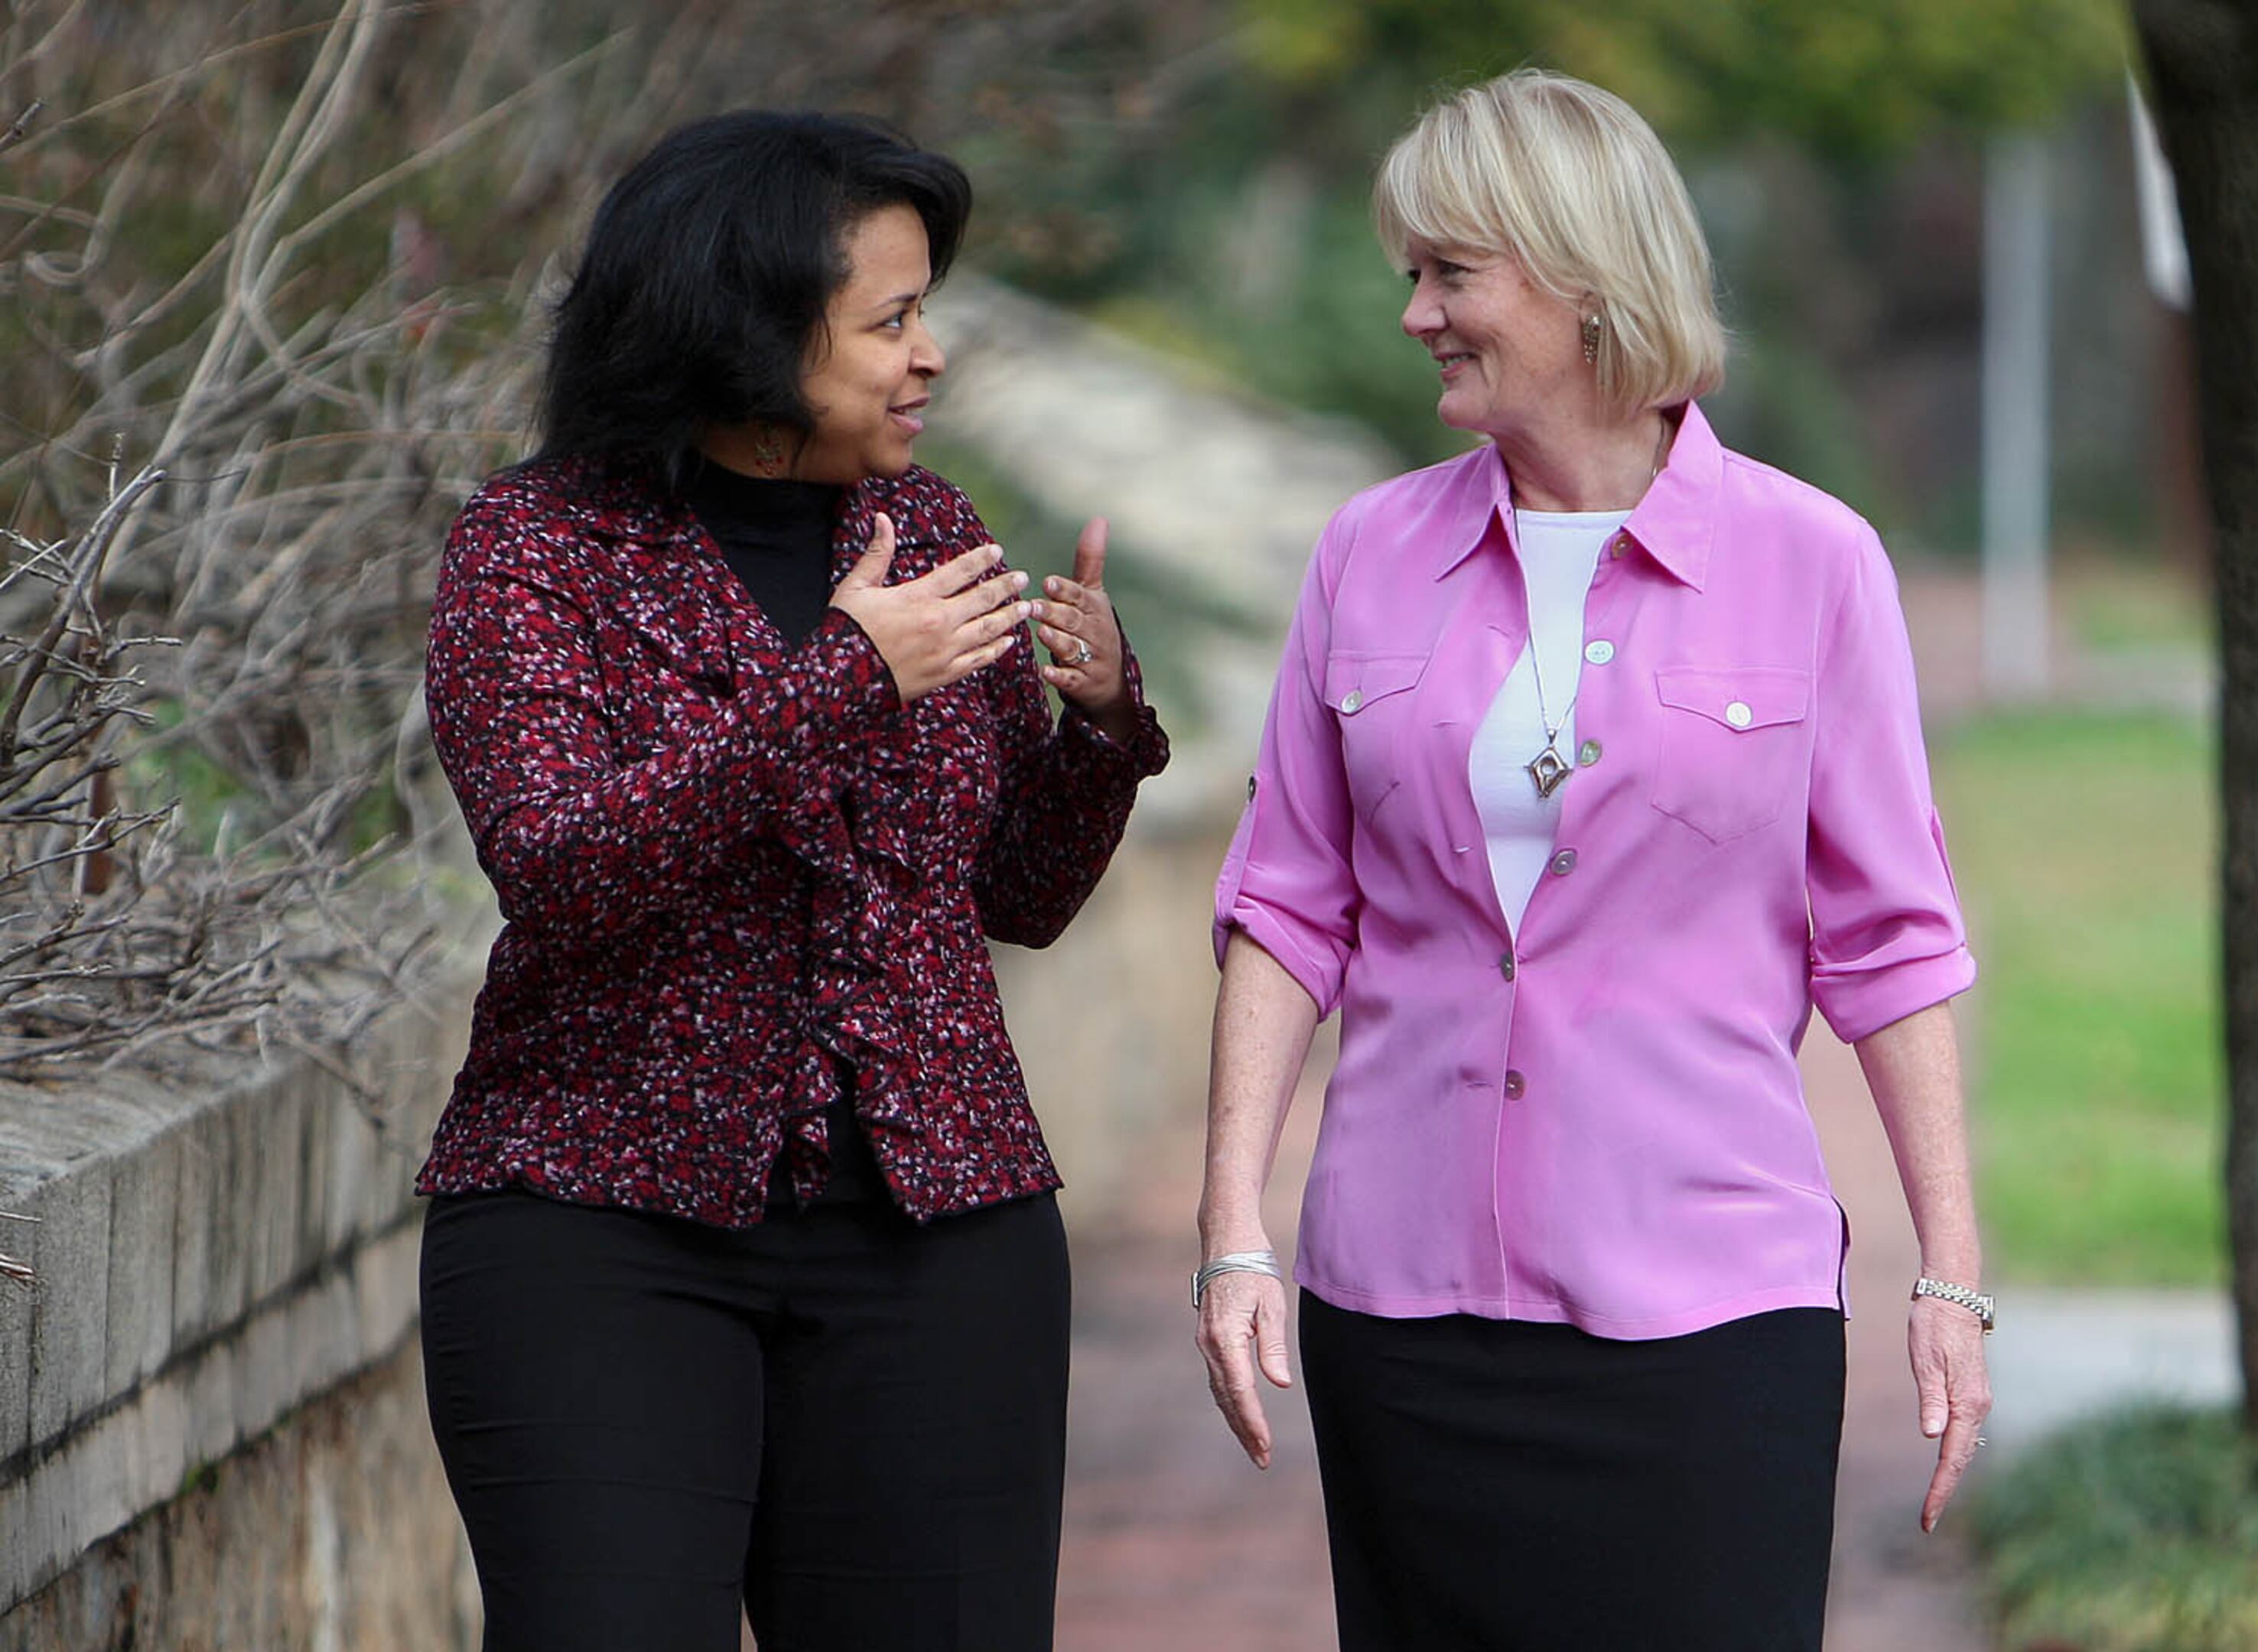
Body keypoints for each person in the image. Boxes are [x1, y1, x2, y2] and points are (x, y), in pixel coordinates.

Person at [1195, 69, 1994, 1651]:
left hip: (1711, 1319)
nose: (1415, 311)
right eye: (1409, 274)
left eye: (1450, 273)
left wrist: (1951, 1278)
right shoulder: (1368, 552)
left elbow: (1891, 944)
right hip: (1403, 1310)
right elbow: (1289, 904)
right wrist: (1234, 1229)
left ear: (1578, 276)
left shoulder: (1814, 563)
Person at [417, 110, 1165, 1652]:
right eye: (890, 320)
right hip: (599, 1223)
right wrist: (842, 683)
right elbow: (560, 866)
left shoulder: (934, 530)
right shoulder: (534, 553)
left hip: (938, 1236)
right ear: (744, 331)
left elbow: (1012, 894)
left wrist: (1100, 732)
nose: (930, 357)